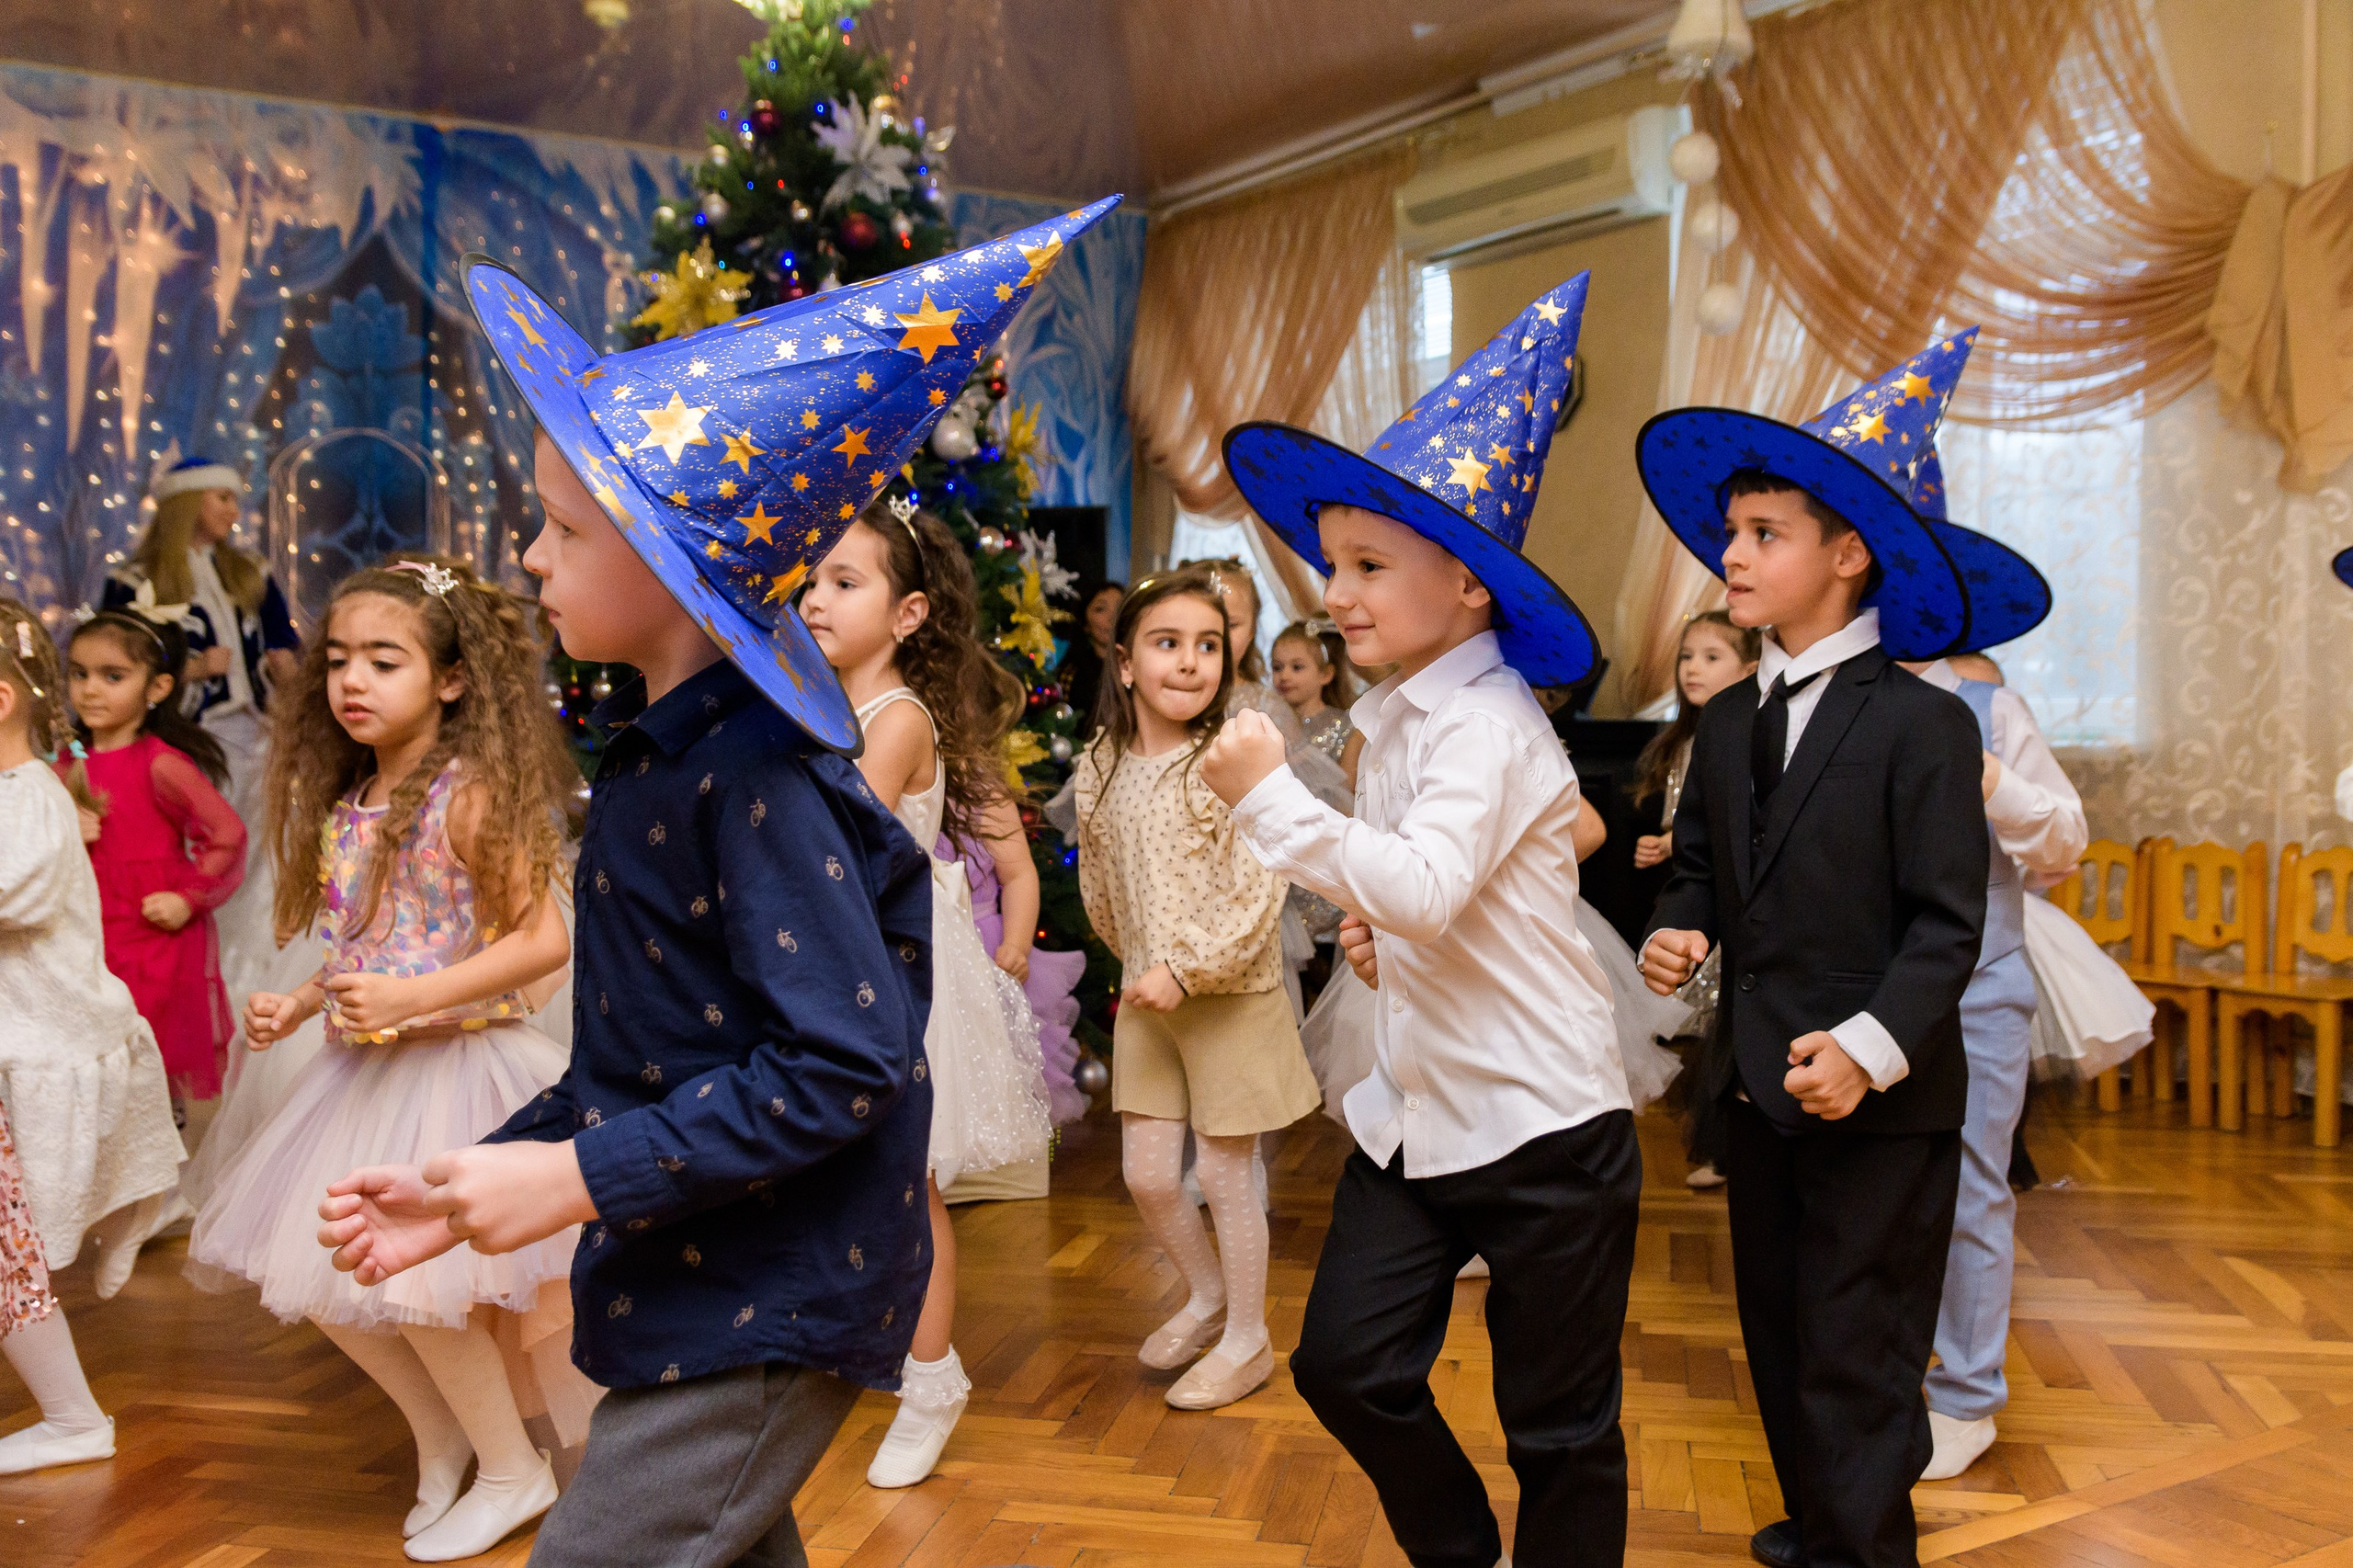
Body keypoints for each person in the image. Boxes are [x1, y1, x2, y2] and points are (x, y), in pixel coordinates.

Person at [315, 200, 1119, 1568]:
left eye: (563, 529)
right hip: (699, 1270)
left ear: (676, 568)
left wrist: (573, 1177)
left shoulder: (760, 778)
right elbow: (659, 1050)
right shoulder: (662, 759)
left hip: (773, 1289)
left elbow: (844, 1061)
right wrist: (487, 1171)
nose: (530, 556)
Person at [1207, 272, 1641, 1568]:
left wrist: (1274, 800)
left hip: (1543, 1123)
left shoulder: (1489, 721)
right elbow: (1427, 888)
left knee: (1559, 1426)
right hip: (1417, 1113)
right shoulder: (1399, 715)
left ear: (1468, 586)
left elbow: (1431, 881)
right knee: (1346, 1364)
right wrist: (1381, 926)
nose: (1335, 591)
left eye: (1369, 566)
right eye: (1333, 564)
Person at [1634, 332, 1990, 1568]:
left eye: (1763, 533)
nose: (1730, 553)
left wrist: (1868, 1047)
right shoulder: (1731, 716)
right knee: (1781, 1329)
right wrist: (1678, 923)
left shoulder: (1925, 724)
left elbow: (1947, 924)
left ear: (1848, 554)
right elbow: (1701, 863)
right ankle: (1820, 1526)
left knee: (1859, 1344)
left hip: (1879, 1099)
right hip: (1757, 1086)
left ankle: (1864, 1546)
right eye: (1729, 531)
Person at [185, 557, 587, 1562]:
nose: (352, 681)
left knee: (416, 1289)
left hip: (457, 1073)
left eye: (383, 660)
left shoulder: (469, 795)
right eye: (338, 661)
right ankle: (444, 1435)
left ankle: (514, 1469)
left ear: (450, 680)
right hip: (361, 1076)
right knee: (329, 1277)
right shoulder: (356, 797)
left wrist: (413, 998)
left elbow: (542, 941)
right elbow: (368, 940)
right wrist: (301, 998)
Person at [801, 494, 1052, 1489]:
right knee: (848, 1182)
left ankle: (933, 1380)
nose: (815, 600)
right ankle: (860, 1343)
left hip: (891, 970)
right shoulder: (827, 706)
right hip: (835, 962)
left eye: (844, 581)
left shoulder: (895, 717)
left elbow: (827, 848)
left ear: (907, 614)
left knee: (911, 1188)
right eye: (811, 581)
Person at [1073, 566, 1321, 1412]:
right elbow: (1101, 879)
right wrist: (1140, 961)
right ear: (1125, 663)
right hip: (1150, 994)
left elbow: (1260, 886)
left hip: (1228, 996)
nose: (1189, 662)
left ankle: (1249, 1340)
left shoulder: (1230, 759)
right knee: (1148, 1175)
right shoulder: (1100, 763)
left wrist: (1187, 968)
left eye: (1208, 645)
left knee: (1224, 1173)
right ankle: (1209, 1296)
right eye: (1167, 643)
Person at [1896, 449, 2088, 1481]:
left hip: (1976, 989)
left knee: (1970, 1188)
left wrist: (1990, 780)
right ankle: (1875, 1375)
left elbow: (2063, 839)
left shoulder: (1987, 711)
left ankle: (1966, 1393)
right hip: (1854, 995)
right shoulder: (1811, 707)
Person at [0, 601, 184, 1471]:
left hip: (40, 1044)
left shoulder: (31, 800)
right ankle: (71, 1416)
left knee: (11, 1250)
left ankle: (74, 1419)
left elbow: (14, 894)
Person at [105, 454, 301, 1006]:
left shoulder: (250, 572)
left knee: (259, 842)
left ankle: (247, 969)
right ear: (188, 503)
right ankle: (194, 958)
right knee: (199, 841)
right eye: (223, 498)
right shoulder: (135, 581)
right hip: (188, 738)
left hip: (255, 732)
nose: (234, 511)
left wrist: (297, 696)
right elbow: (117, 660)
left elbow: (280, 647)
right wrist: (191, 670)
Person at [64, 610, 246, 1112]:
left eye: (112, 676)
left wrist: (187, 898)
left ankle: (161, 1138)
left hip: (152, 935)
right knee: (97, 1061)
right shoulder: (68, 759)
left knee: (147, 1054)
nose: (90, 690)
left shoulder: (160, 762)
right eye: (79, 673)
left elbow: (227, 834)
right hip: (90, 930)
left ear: (159, 687)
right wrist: (63, 825)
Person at [1630, 610, 1761, 1189]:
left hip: (1732, 914)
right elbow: (1691, 824)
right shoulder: (1685, 740)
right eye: (1686, 657)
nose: (1692, 669)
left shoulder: (1748, 732)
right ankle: (1720, 1146)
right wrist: (1665, 842)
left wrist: (1672, 844)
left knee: (1723, 1028)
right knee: (1707, 1030)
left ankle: (1725, 1146)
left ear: (1750, 669)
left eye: (1711, 657)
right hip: (1695, 903)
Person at [1269, 618, 1365, 788]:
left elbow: (1347, 790)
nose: (1284, 676)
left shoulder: (1346, 726)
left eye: (1297, 667)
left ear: (1325, 674)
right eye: (1277, 667)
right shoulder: (1270, 723)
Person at [1063, 579, 1123, 734]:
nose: (1113, 617)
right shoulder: (1072, 675)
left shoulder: (1144, 666)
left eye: (1119, 607)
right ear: (1085, 624)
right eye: (1100, 609)